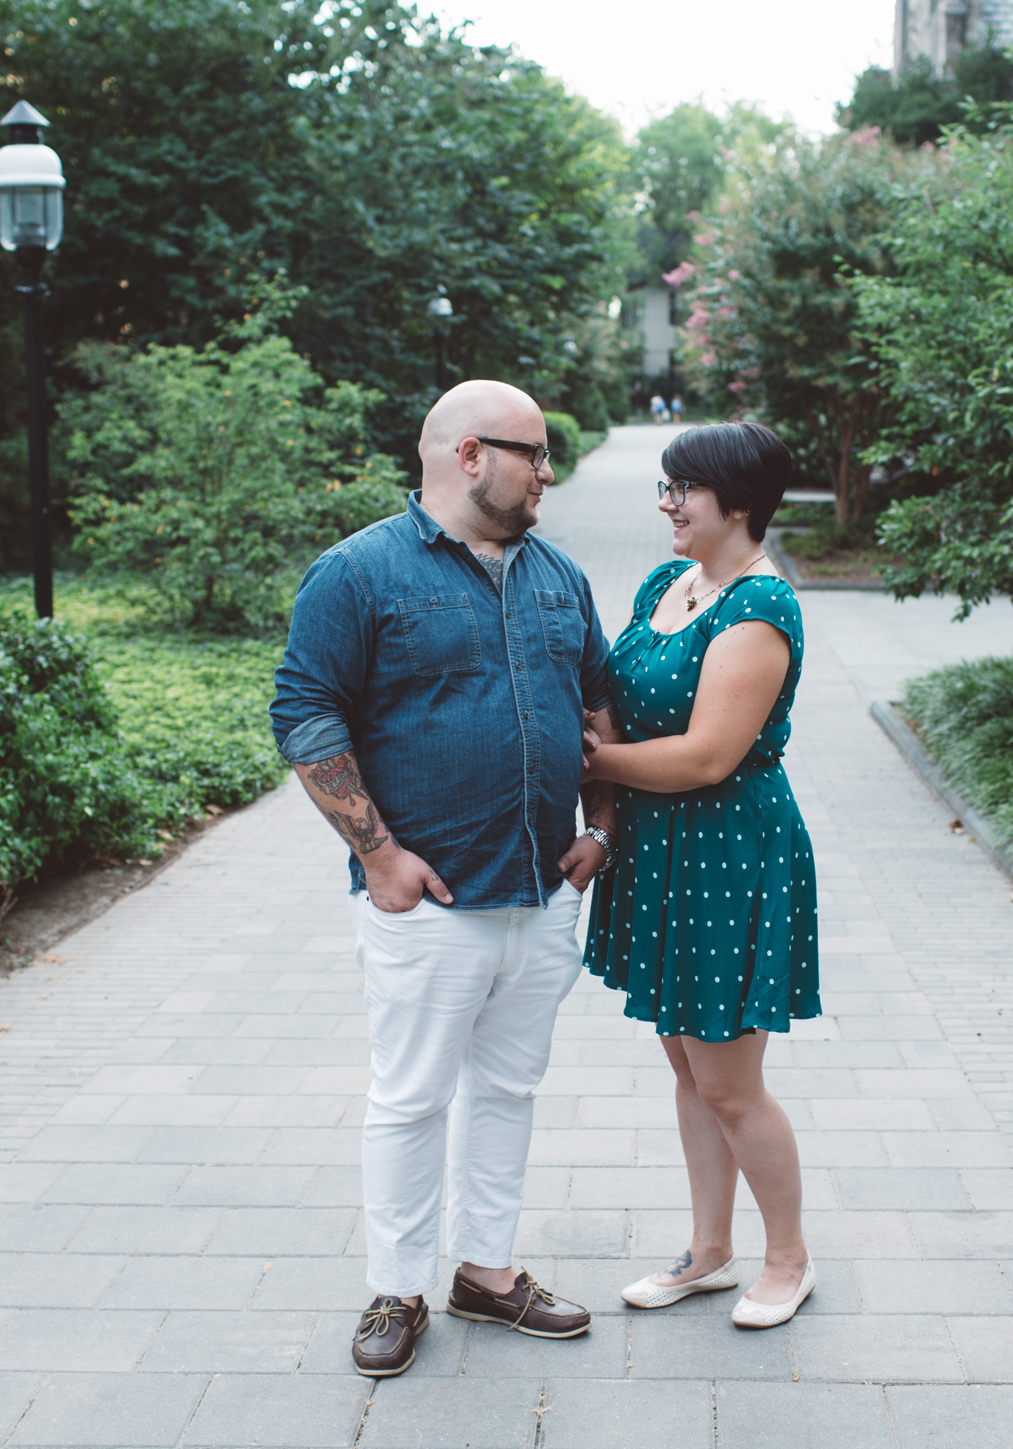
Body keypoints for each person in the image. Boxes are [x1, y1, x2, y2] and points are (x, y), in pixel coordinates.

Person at [270, 379, 618, 1379]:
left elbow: (596, 705)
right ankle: (398, 1286)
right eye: (533, 452)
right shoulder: (359, 572)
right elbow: (305, 714)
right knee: (413, 1094)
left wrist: (599, 825)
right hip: (429, 897)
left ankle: (488, 1272)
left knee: (509, 1087)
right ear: (468, 454)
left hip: (543, 889)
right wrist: (377, 854)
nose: (548, 471)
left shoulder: (557, 575)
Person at [581, 420, 820, 1330]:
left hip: (727, 848)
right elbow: (615, 700)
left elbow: (705, 758)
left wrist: (590, 763)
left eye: (684, 488)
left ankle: (788, 1259)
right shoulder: (665, 583)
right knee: (687, 1063)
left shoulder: (760, 609)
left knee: (729, 1080)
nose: (666, 502)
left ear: (741, 502)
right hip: (663, 849)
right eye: (665, 485)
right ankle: (709, 1251)